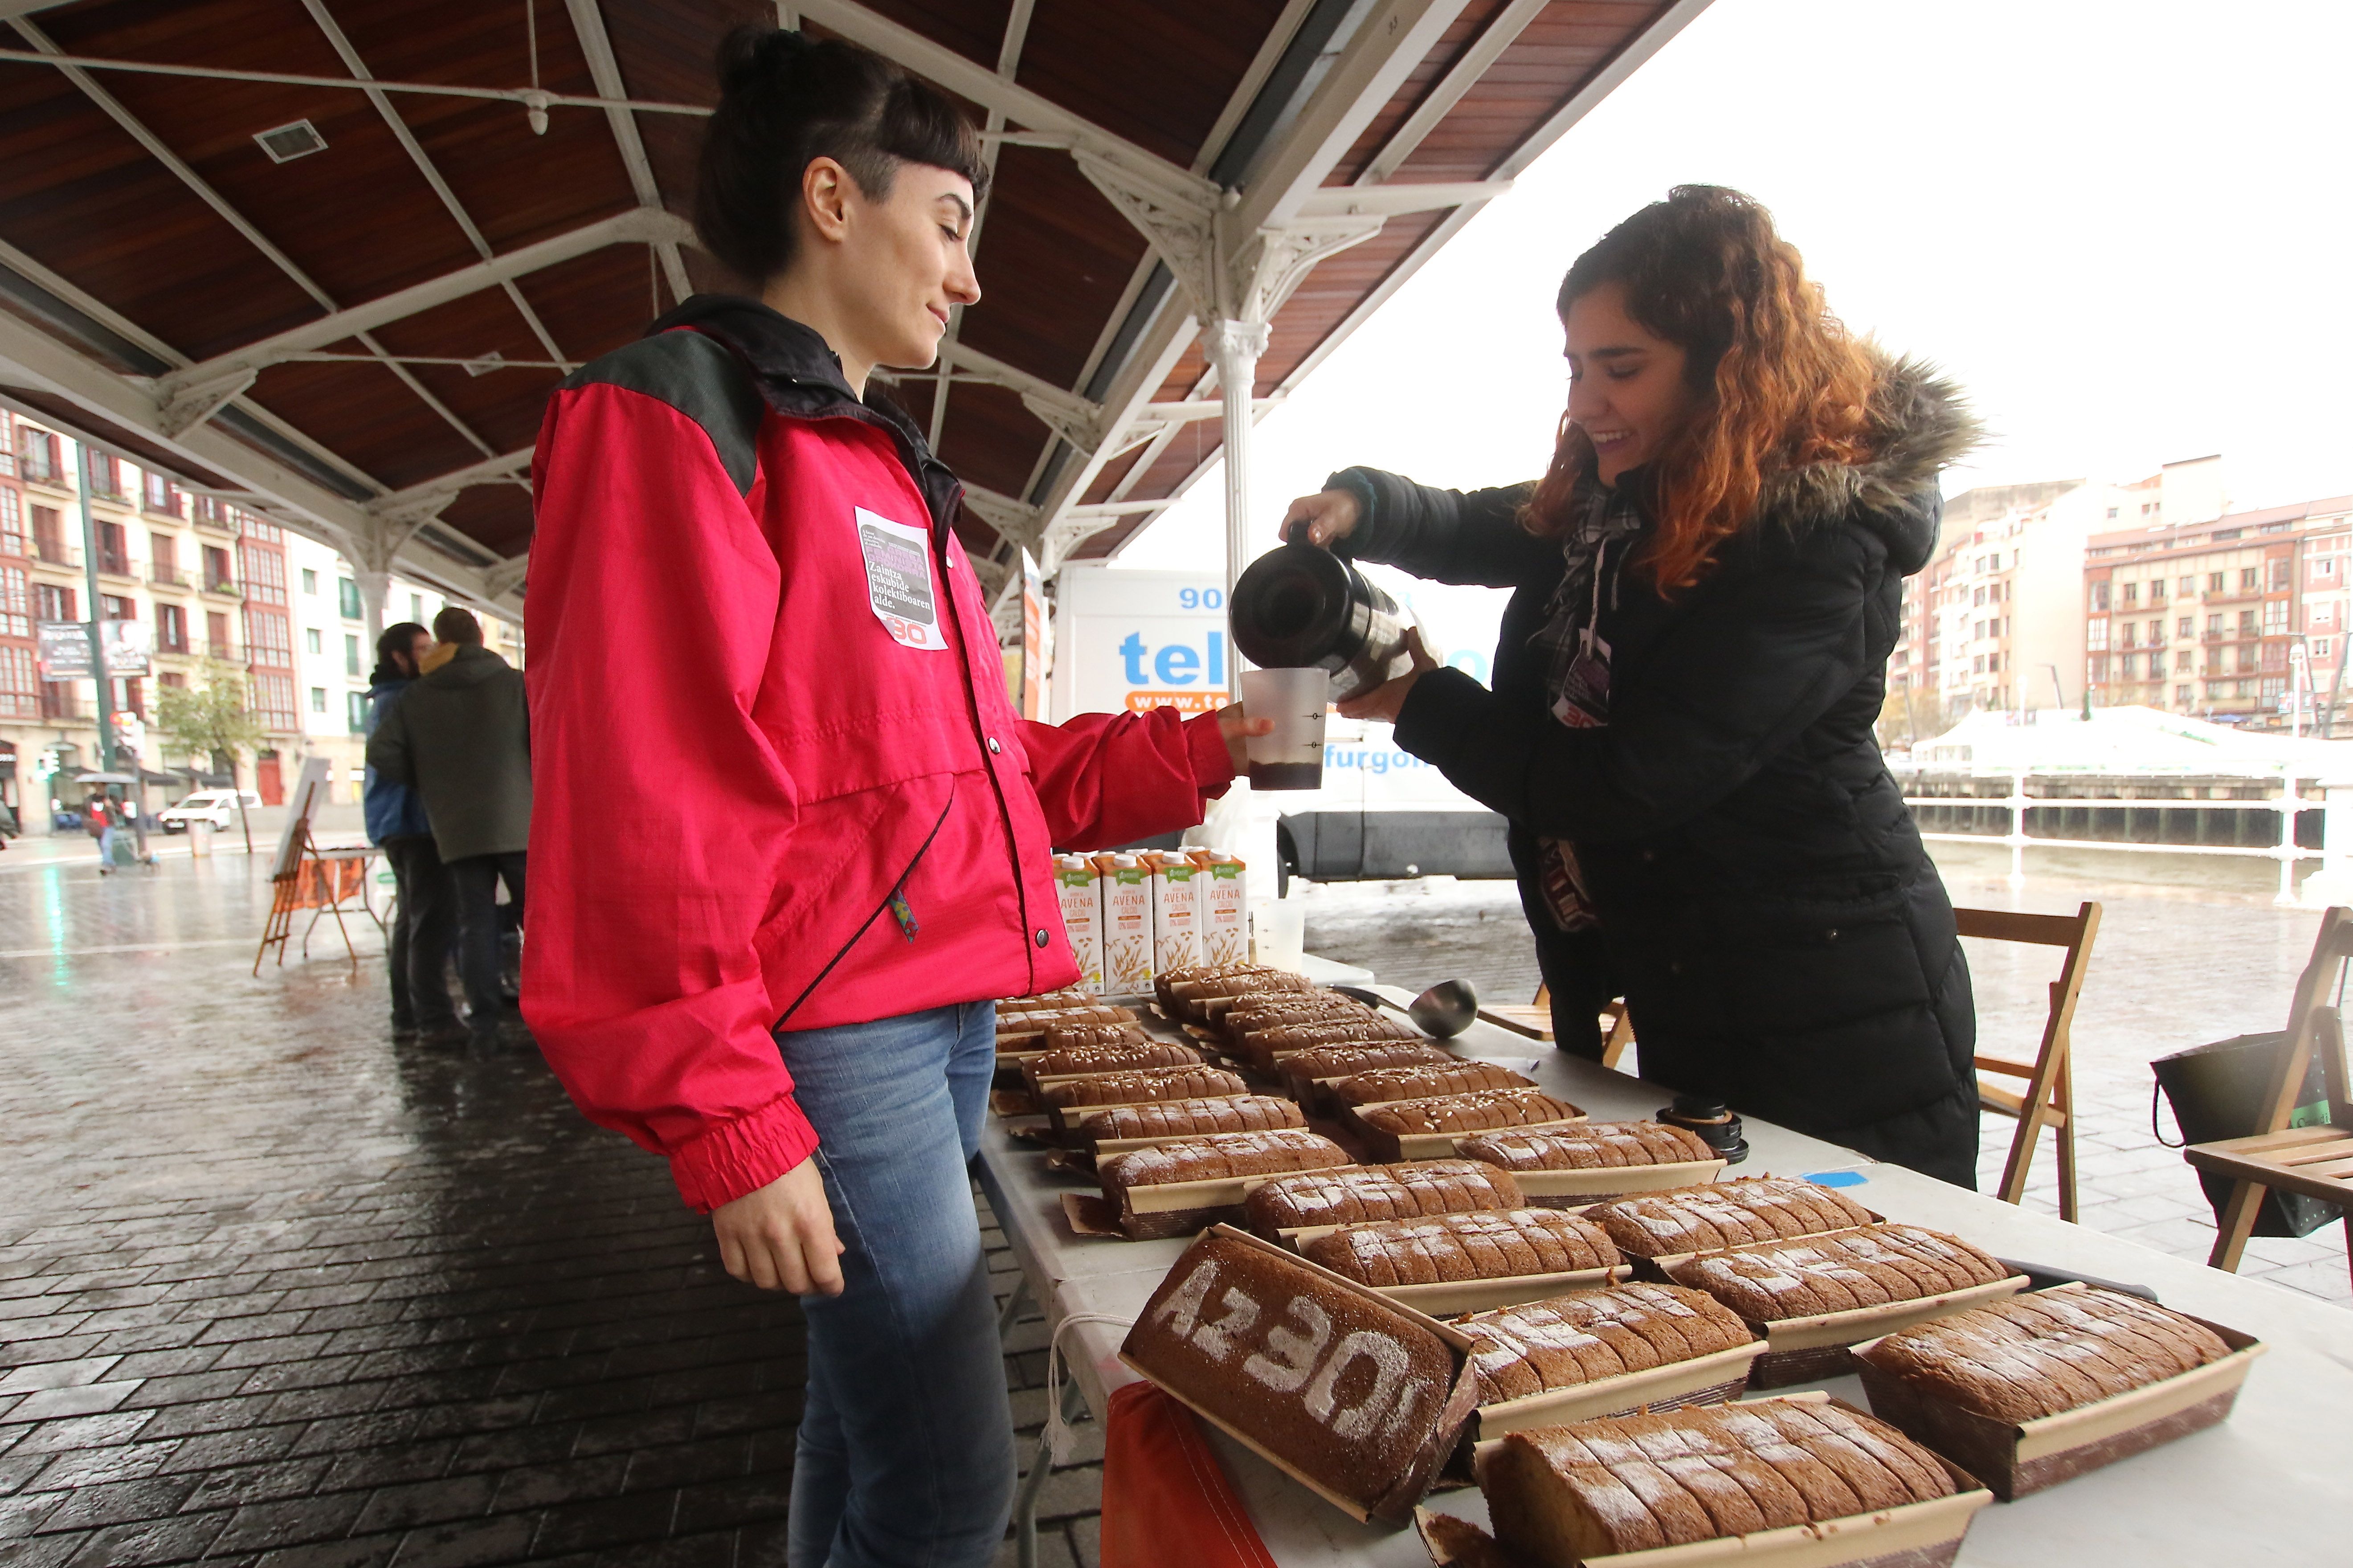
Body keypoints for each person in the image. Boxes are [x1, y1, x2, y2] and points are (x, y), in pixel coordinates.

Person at [522, 29, 1269, 1568]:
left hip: (939, 1011)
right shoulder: (676, 414)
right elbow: (639, 793)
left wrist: (1224, 743)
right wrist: (729, 1114)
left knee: (857, 1425)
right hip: (832, 1031)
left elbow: (989, 773)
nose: (972, 276)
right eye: (951, 221)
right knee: (945, 1485)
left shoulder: (881, 467)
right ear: (829, 200)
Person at [1284, 186, 1984, 1186]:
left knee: (1838, 1279)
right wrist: (1367, 507)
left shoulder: (1818, 543)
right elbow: (1506, 521)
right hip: (1698, 973)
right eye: (1574, 367)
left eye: (1621, 368)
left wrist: (1422, 701)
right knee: (1714, 1256)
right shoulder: (1633, 493)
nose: (1583, 402)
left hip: (1832, 1003)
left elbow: (1627, 783)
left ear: (1728, 372)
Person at [365, 606, 531, 1054]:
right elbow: (544, 741)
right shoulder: (514, 683)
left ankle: (484, 1025)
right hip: (518, 822)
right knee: (534, 921)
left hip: (455, 829)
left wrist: (428, 779)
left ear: (442, 644)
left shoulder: (419, 697)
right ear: (479, 638)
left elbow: (382, 753)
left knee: (472, 925)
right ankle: (548, 1012)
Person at [364, 621, 464, 1046]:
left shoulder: (385, 701)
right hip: (416, 824)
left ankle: (407, 1014)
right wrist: (431, 782)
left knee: (410, 923)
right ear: (399, 658)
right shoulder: (404, 701)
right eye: (422, 649)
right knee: (430, 922)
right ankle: (434, 1018)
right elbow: (391, 758)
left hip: (397, 825)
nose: (430, 656)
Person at [85, 792, 114, 873]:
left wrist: (112, 806)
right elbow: (85, 813)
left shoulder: (110, 798)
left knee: (106, 845)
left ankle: (106, 865)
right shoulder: (89, 800)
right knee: (102, 847)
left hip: (108, 826)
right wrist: (88, 822)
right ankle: (112, 865)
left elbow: (120, 811)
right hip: (96, 827)